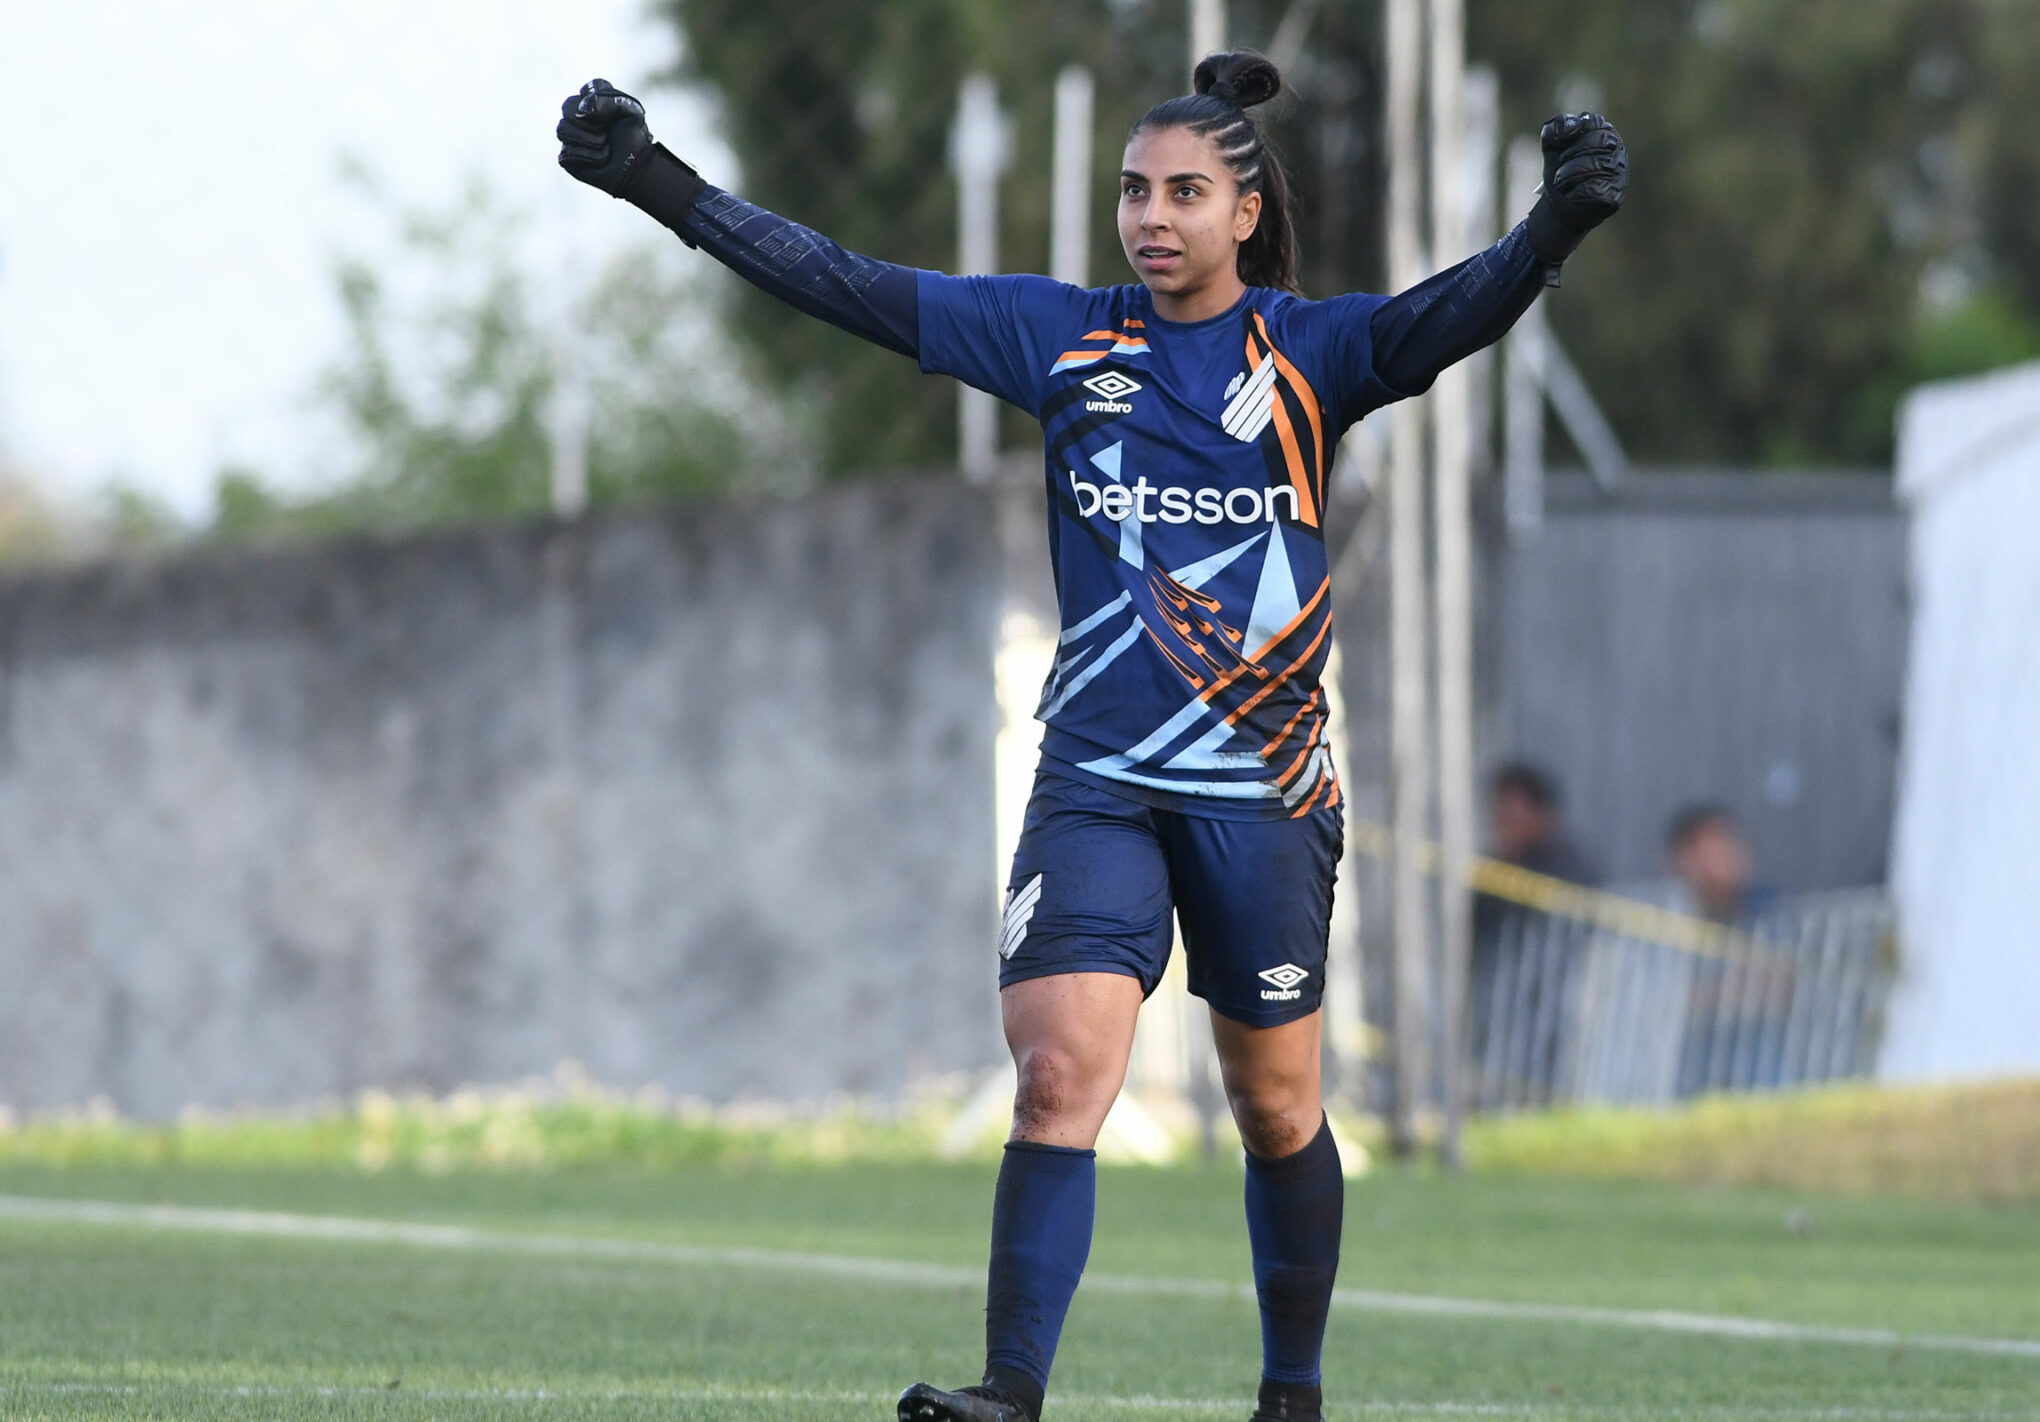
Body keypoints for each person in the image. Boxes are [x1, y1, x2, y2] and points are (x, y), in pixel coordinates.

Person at [556, 51, 1627, 1422]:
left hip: (1265, 790)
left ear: (1245, 214)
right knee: (1057, 1073)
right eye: (1134, 191)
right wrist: (659, 182)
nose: (1151, 215)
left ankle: (1290, 1393)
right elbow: (849, 282)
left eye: (1184, 191)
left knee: (1280, 1109)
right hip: (1099, 783)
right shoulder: (1062, 338)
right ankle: (1013, 1386)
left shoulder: (1311, 352)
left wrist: (1554, 227)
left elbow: (1449, 313)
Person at [1662, 801, 1777, 926]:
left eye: (1727, 846)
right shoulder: (1659, 916)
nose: (1723, 862)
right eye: (1708, 853)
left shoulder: (1773, 913)